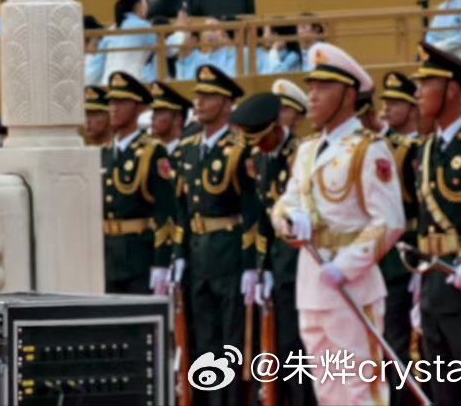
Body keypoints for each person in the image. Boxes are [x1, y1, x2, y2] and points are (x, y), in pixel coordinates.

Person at [270, 44, 405, 406]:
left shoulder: (368, 149)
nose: (312, 96)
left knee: (361, 391)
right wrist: (287, 222)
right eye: (310, 87)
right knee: (327, 391)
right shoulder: (308, 149)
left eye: (322, 88)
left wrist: (345, 267)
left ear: (347, 95)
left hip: (352, 286)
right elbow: (286, 200)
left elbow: (390, 222)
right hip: (312, 283)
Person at [174, 64, 257, 405]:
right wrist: (178, 255)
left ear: (226, 104)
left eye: (208, 96)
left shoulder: (240, 148)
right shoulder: (188, 148)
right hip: (198, 251)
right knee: (203, 338)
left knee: (231, 340)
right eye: (198, 95)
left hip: (229, 249)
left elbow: (252, 209)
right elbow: (181, 207)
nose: (199, 101)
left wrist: (252, 264)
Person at [409, 43, 461, 403]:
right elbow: (426, 225)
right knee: (443, 395)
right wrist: (418, 287)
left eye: (426, 84)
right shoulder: (426, 149)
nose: (418, 92)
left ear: (452, 89)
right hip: (435, 290)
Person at [229, 91, 309, 406]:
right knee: (283, 347)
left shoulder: (299, 154)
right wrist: (261, 269)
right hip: (279, 267)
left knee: (302, 350)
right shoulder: (261, 159)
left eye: (261, 138)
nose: (257, 146)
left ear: (276, 127)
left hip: (303, 264)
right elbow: (264, 218)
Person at [101, 72, 175, 295]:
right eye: (112, 102)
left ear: (138, 108)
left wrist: (162, 263)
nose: (114, 108)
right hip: (108, 256)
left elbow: (166, 211)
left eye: (121, 102)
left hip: (139, 256)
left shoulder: (152, 152)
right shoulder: (104, 153)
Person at [376, 70, 420, 392]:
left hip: (419, 248)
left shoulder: (422, 146)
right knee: (391, 341)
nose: (386, 109)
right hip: (389, 254)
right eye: (385, 103)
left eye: (394, 103)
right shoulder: (381, 147)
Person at [99, 0, 156, 82]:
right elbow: (166, 49)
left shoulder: (110, 31)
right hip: (129, 84)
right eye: (145, 2)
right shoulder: (143, 26)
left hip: (107, 83)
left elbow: (97, 65)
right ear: (138, 6)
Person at [149, 81, 190, 154]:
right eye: (154, 112)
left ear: (177, 119)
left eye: (159, 112)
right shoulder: (148, 154)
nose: (152, 117)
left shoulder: (189, 154)